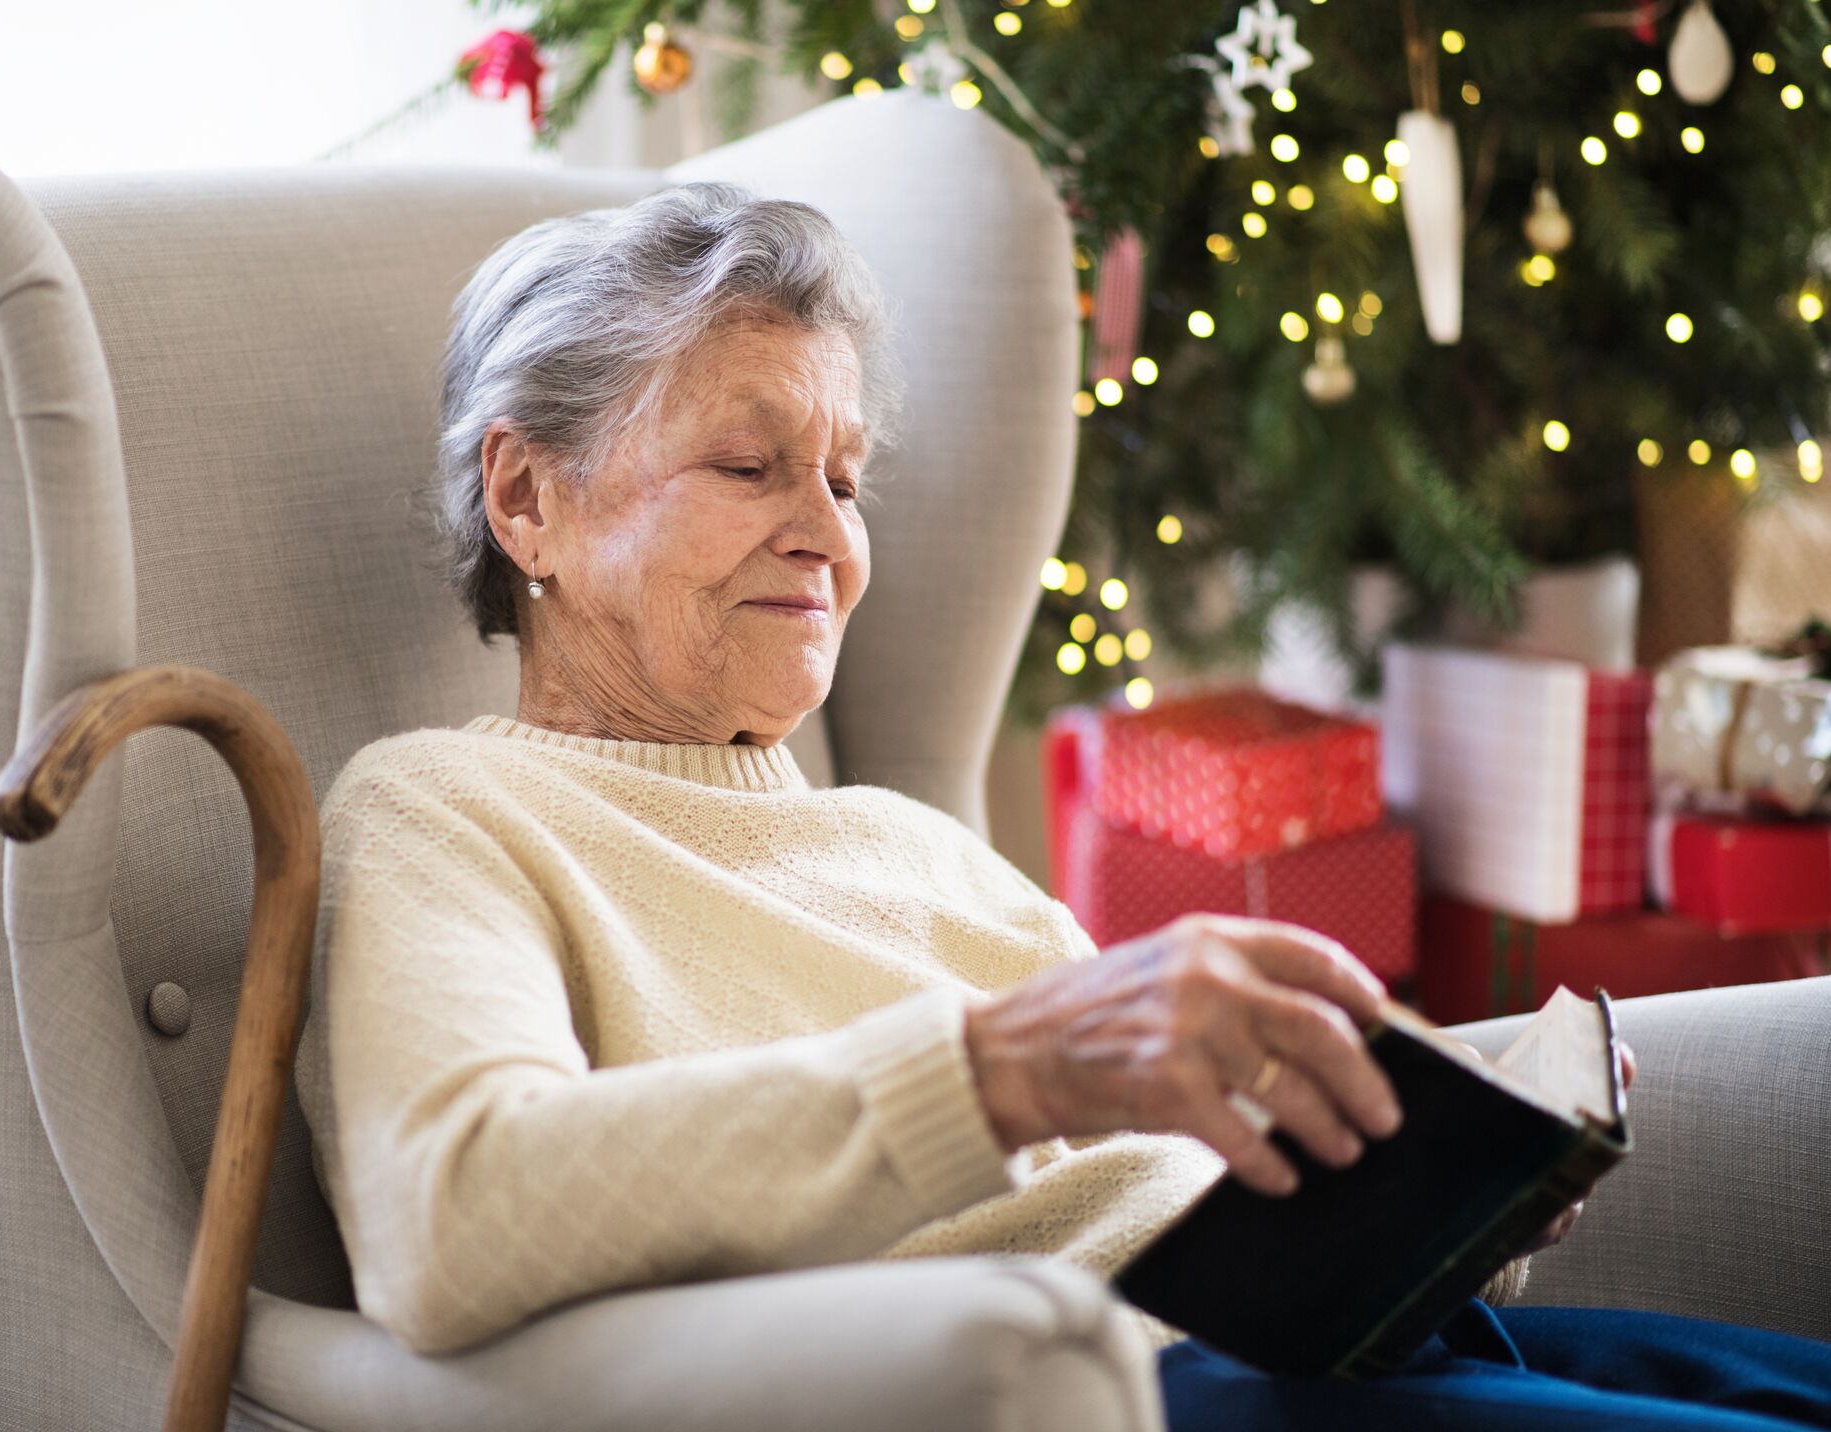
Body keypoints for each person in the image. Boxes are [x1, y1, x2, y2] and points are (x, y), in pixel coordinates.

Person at [291, 180, 1831, 1430]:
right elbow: (451, 1217)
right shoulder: (447, 809)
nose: (825, 532)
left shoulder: (906, 843)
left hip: (1346, 1352)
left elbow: (1161, 1174)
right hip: (1135, 1394)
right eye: (752, 463)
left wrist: (1431, 1197)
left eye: (847, 476)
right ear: (526, 501)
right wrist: (1009, 1068)